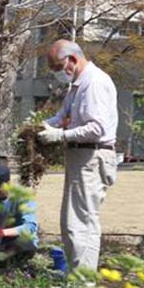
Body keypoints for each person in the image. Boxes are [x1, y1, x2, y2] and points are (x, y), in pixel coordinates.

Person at [37, 39, 118, 272]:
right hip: (80, 158)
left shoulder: (94, 83)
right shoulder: (77, 86)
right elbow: (62, 117)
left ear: (72, 59)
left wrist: (59, 135)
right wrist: (39, 127)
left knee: (81, 224)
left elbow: (97, 129)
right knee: (72, 224)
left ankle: (83, 285)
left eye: (57, 67)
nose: (57, 73)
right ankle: (77, 279)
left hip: (92, 158)